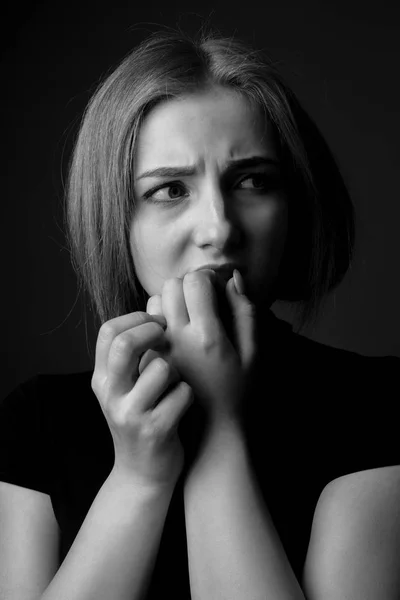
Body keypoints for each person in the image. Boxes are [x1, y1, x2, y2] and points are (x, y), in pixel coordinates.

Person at [1, 26, 399, 600]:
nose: (219, 227)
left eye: (253, 181)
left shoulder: (379, 406)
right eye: (170, 190)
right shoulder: (34, 423)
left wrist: (218, 428)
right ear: (116, 219)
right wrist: (139, 475)